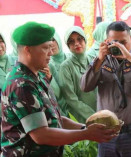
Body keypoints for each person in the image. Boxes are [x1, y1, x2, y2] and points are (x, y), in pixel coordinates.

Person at [1, 21, 117, 157]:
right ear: (28, 49)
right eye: (46, 48)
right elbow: (41, 135)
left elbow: (55, 118)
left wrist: (86, 128)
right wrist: (86, 134)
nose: (50, 52)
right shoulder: (21, 84)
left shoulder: (38, 77)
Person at [81, 21, 131, 157]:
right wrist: (99, 60)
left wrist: (130, 57)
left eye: (123, 42)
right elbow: (85, 86)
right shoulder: (100, 62)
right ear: (107, 41)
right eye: (115, 42)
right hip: (107, 134)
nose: (119, 46)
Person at [59, 26, 97, 123]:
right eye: (71, 41)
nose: (76, 43)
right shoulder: (65, 67)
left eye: (79, 39)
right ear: (68, 46)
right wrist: (93, 116)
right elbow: (71, 99)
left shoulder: (95, 60)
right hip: (81, 118)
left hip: (102, 112)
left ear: (85, 40)